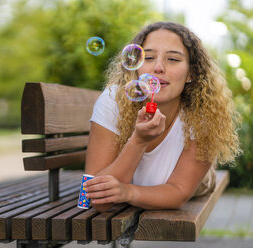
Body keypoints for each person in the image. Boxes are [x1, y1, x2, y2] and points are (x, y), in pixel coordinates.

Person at [83, 22, 241, 212]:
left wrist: (127, 192)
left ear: (191, 72)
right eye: (148, 57)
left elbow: (179, 191)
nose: (158, 68)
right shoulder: (113, 101)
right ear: (135, 66)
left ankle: (208, 170)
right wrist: (138, 141)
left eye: (173, 59)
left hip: (196, 184)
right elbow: (94, 199)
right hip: (146, 184)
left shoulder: (203, 115)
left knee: (203, 179)